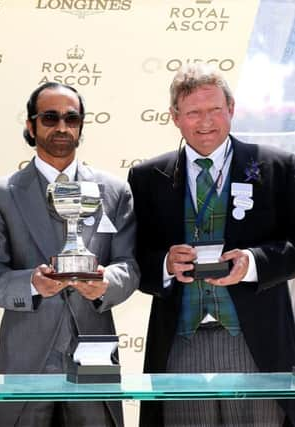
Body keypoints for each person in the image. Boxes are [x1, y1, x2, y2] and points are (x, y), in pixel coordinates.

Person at [128, 63, 295, 426]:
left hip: (255, 346)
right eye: (193, 113)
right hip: (180, 344)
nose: (206, 122)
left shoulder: (277, 166)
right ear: (175, 117)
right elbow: (133, 258)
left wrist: (252, 262)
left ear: (231, 109)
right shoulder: (146, 177)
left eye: (215, 109)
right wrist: (165, 264)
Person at [0, 82, 138, 427]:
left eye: (71, 118)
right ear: (30, 125)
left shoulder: (114, 190)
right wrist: (33, 285)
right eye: (50, 118)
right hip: (27, 358)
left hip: (95, 351)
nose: (62, 127)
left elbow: (129, 265)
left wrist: (105, 284)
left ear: (81, 126)